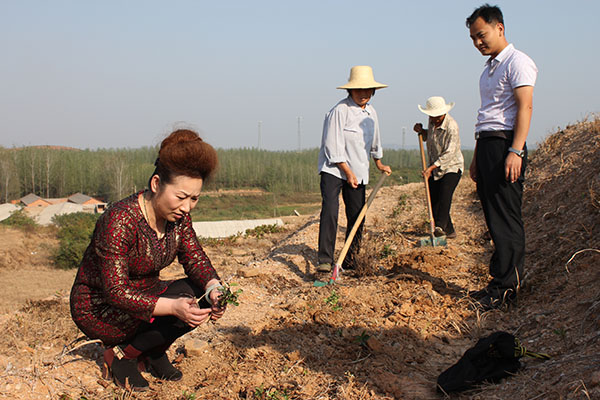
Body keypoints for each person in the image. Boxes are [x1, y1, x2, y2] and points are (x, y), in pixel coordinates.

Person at [70, 129, 226, 391]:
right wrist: (173, 307)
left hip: (145, 293)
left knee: (198, 292)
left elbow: (195, 258)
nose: (187, 207)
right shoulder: (120, 220)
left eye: (194, 199)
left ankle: (153, 351)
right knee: (178, 305)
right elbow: (116, 291)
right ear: (156, 184)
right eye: (181, 197)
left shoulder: (179, 219)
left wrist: (214, 288)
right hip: (101, 306)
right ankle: (122, 357)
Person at [466, 4, 538, 310]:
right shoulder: (491, 67)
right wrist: (477, 157)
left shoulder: (518, 62)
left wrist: (515, 150)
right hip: (487, 144)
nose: (478, 42)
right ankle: (498, 281)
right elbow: (488, 115)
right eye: (473, 38)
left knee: (506, 216)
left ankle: (510, 287)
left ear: (500, 28)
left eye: (481, 35)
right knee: (493, 217)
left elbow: (525, 107)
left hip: (505, 144)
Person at [316, 65, 392, 273]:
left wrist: (378, 163)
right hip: (334, 169)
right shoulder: (339, 111)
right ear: (350, 91)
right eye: (359, 90)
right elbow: (332, 145)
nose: (363, 94)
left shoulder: (371, 113)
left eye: (367, 90)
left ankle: (350, 258)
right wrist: (347, 172)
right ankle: (324, 260)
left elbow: (374, 141)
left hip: (358, 171)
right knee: (331, 211)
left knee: (358, 214)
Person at [413, 96, 464, 239]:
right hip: (435, 166)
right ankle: (449, 230)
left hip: (451, 166)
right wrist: (422, 131)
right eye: (432, 116)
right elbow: (429, 139)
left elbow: (449, 153)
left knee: (445, 194)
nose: (434, 119)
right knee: (433, 197)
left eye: (437, 116)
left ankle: (439, 226)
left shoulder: (452, 126)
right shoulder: (431, 121)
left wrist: (430, 169)